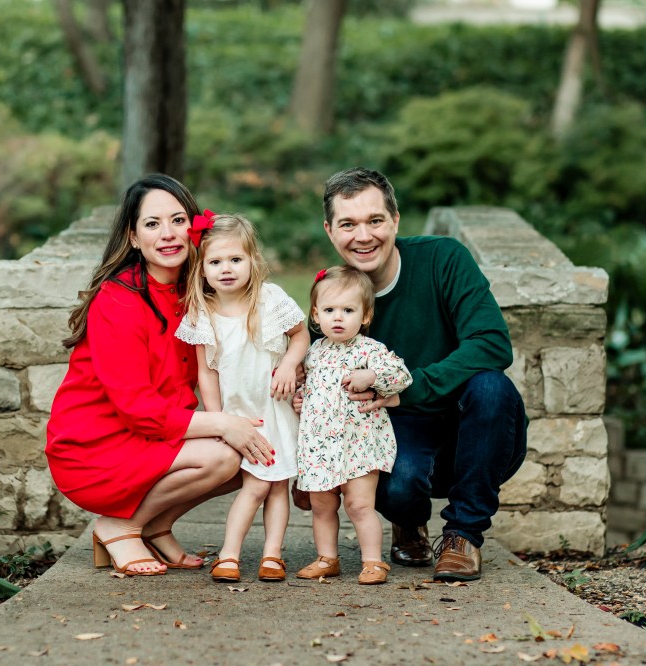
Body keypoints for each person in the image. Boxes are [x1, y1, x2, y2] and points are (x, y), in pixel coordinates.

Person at [45, 174, 275, 577]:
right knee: (226, 454)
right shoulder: (119, 300)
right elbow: (138, 408)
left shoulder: (198, 291)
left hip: (151, 433)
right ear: (133, 237)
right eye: (152, 224)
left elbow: (245, 352)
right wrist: (223, 423)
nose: (168, 234)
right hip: (96, 444)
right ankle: (120, 526)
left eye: (178, 220)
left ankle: (155, 525)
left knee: (258, 451)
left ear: (195, 229)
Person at [317, 167, 528, 582]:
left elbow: (491, 343)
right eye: (348, 224)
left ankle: (463, 536)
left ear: (395, 220)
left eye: (375, 220)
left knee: (492, 386)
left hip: (469, 423)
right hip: (396, 433)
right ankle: (408, 521)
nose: (363, 236)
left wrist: (408, 387)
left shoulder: (443, 259)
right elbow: (318, 377)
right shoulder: (335, 297)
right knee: (399, 486)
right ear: (330, 231)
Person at [176, 212, 309, 583]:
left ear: (253, 260)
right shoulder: (203, 313)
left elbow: (300, 336)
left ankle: (270, 555)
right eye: (215, 262)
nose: (226, 269)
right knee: (256, 486)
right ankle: (231, 554)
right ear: (202, 269)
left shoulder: (270, 299)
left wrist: (289, 366)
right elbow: (206, 372)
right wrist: (217, 419)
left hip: (275, 409)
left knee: (275, 484)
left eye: (236, 259)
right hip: (240, 415)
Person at [295, 266, 413, 586]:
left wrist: (372, 376)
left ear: (365, 315)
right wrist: (299, 399)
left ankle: (373, 561)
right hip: (320, 446)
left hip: (359, 444)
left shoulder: (370, 350)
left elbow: (401, 376)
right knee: (321, 507)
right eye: (329, 310)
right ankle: (327, 558)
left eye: (348, 311)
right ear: (316, 315)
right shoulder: (312, 353)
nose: (338, 317)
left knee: (359, 505)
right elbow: (307, 387)